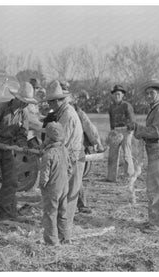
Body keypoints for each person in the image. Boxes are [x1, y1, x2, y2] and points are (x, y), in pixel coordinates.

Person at [0, 82, 38, 223]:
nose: (25, 105)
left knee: (11, 182)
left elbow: (22, 134)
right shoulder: (1, 109)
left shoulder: (24, 114)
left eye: (27, 103)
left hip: (9, 148)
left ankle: (8, 214)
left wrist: (23, 147)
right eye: (23, 102)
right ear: (17, 99)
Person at [126, 79, 159, 232]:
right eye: (147, 93)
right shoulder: (156, 108)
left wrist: (137, 128)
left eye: (152, 93)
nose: (148, 96)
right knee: (156, 187)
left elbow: (157, 132)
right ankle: (156, 222)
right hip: (154, 150)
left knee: (157, 188)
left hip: (158, 150)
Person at [42, 80, 84, 226]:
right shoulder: (62, 112)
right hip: (68, 156)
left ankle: (65, 232)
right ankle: (62, 228)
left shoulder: (67, 115)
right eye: (49, 102)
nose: (50, 105)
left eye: (52, 102)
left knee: (69, 196)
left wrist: (45, 150)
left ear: (60, 100)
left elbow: (60, 141)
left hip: (73, 157)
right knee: (65, 195)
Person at [59, 81, 105, 214]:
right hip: (63, 149)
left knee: (76, 179)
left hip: (77, 148)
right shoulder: (57, 111)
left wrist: (98, 144)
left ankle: (81, 204)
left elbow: (90, 129)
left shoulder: (76, 111)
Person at [39, 122, 72, 246]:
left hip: (53, 188)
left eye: (46, 136)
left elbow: (44, 177)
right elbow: (70, 170)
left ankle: (52, 241)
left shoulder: (48, 154)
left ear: (49, 138)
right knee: (62, 213)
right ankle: (65, 238)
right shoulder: (64, 150)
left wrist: (42, 187)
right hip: (64, 186)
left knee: (50, 214)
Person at [107, 84, 135, 182]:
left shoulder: (126, 105)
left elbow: (131, 119)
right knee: (113, 153)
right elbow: (111, 120)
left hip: (126, 130)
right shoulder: (111, 107)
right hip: (116, 130)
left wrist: (129, 130)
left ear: (122, 95)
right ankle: (111, 177)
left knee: (126, 153)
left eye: (119, 94)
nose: (117, 96)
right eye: (115, 94)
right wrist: (112, 131)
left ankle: (129, 175)